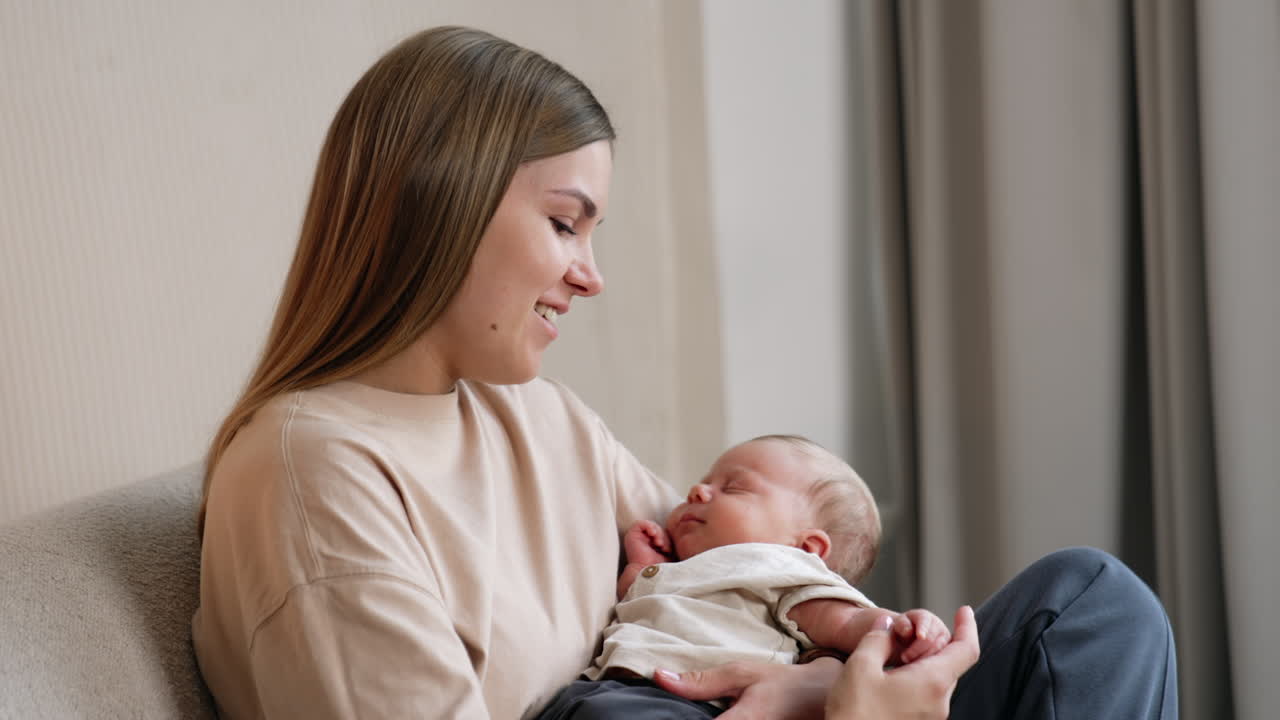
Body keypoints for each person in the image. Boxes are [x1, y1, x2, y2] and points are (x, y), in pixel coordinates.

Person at [192, 24, 1179, 720]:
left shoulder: (540, 418)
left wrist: (831, 673)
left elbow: (749, 576)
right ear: (436, 201)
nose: (590, 274)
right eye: (564, 222)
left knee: (1088, 603)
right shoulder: (313, 473)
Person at [536, 435, 951, 719]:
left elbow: (847, 623)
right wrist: (643, 565)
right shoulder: (690, 570)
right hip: (598, 693)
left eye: (733, 489)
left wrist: (899, 630)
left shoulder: (782, 570)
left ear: (806, 548)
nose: (699, 492)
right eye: (701, 484)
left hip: (697, 705)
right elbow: (642, 605)